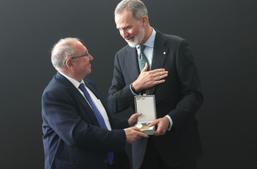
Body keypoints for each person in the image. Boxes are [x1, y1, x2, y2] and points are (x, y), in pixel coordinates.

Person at [108, 0, 204, 169]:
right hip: (142, 148)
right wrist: (135, 87)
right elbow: (112, 104)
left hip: (177, 147)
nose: (124, 34)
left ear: (144, 20)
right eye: (119, 29)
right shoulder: (121, 56)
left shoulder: (177, 46)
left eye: (128, 27)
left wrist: (169, 119)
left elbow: (194, 94)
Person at [41, 37, 148, 169]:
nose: (91, 57)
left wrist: (126, 124)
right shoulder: (54, 94)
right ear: (70, 63)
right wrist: (122, 136)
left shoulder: (88, 85)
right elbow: (77, 134)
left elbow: (100, 122)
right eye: (85, 54)